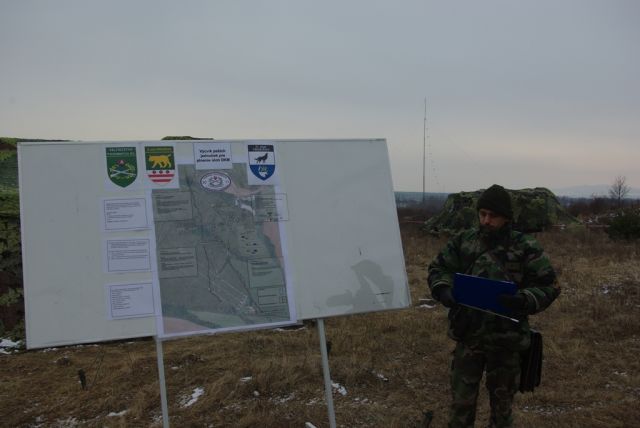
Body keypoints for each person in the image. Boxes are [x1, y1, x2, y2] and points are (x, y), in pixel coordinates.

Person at [427, 184, 560, 428]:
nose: (486, 221)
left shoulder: (525, 247)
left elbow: (549, 285)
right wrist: (443, 289)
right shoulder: (464, 241)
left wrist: (525, 299)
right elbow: (439, 268)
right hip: (468, 336)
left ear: (506, 217)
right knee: (461, 406)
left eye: (493, 216)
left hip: (506, 341)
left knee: (502, 409)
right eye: (482, 214)